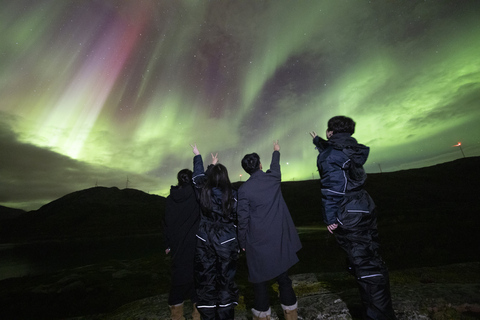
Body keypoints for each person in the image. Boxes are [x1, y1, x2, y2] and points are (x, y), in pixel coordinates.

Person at [310, 116, 396, 320]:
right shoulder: (352, 148)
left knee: (365, 264)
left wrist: (331, 218)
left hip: (347, 212)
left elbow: (331, 188)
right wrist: (318, 142)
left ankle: (379, 315)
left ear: (331, 132)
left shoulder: (330, 155)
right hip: (365, 206)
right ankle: (374, 309)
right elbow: (336, 155)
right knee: (371, 256)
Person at [237, 140, 302, 320]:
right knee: (284, 280)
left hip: (256, 242)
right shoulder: (273, 178)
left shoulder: (243, 190)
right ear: (260, 165)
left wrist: (242, 242)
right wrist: (276, 151)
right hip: (278, 238)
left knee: (259, 284)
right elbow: (275, 166)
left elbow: (242, 220)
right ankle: (291, 316)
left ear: (246, 170)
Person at [190, 144, 239, 320]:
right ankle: (225, 313)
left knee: (206, 276)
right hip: (226, 238)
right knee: (226, 278)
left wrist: (198, 156)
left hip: (204, 237)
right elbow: (237, 215)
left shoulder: (204, 190)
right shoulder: (232, 193)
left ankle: (208, 314)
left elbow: (197, 177)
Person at [164, 169, 201, 320]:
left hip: (176, 245)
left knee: (177, 281)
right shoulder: (196, 196)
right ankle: (197, 315)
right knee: (197, 282)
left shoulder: (169, 199)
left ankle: (176, 315)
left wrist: (167, 244)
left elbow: (165, 223)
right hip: (195, 245)